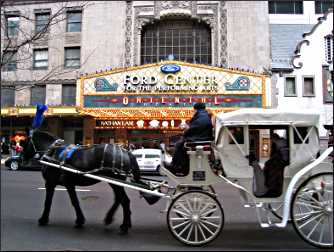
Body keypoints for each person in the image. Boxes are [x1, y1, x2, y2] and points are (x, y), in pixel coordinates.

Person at [163, 102, 214, 176]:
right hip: (202, 138)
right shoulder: (204, 116)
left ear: (196, 109)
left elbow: (192, 129)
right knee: (181, 145)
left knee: (179, 145)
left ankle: (176, 166)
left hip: (199, 140)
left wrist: (186, 129)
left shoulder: (200, 116)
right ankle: (182, 167)